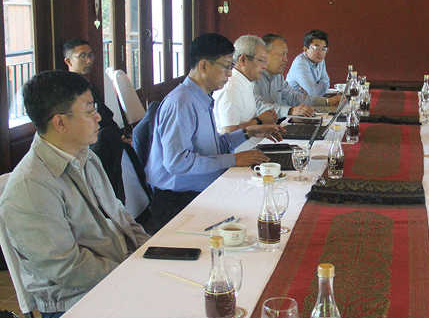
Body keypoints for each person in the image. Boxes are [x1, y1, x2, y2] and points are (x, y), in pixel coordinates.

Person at [0, 70, 150, 318]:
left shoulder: (86, 156)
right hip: (76, 300)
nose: (98, 117)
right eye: (89, 110)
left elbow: (119, 214)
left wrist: (150, 250)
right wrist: (132, 270)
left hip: (120, 272)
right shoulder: (29, 187)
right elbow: (68, 269)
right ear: (60, 123)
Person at [145, 33, 284, 233]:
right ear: (204, 65)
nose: (230, 73)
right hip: (178, 201)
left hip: (201, 189)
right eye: (226, 66)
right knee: (259, 219)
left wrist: (248, 132)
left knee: (268, 202)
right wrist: (234, 160)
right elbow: (177, 162)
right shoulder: (182, 103)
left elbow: (213, 147)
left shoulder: (202, 97)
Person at [63, 39, 143, 210]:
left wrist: (121, 135)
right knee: (108, 138)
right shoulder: (66, 91)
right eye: (82, 56)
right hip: (88, 144)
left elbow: (104, 114)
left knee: (115, 140)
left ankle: (120, 207)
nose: (88, 60)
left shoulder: (88, 86)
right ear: (68, 61)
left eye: (90, 55)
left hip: (104, 137)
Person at [254, 34, 339, 118]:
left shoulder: (278, 77)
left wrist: (327, 101)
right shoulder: (252, 76)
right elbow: (258, 107)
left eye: (286, 54)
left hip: (278, 122)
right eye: (281, 54)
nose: (285, 59)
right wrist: (290, 110)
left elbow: (294, 97)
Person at [213, 34, 277, 135]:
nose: (265, 66)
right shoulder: (232, 87)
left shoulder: (245, 82)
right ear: (243, 60)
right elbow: (229, 133)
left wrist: (265, 125)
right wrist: (259, 120)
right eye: (261, 60)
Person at [286, 29, 336, 98]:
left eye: (323, 49)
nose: (320, 53)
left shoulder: (320, 60)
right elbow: (313, 93)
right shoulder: (300, 63)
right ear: (305, 49)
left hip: (310, 100)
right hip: (293, 102)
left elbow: (326, 82)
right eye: (316, 48)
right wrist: (318, 86)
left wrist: (317, 88)